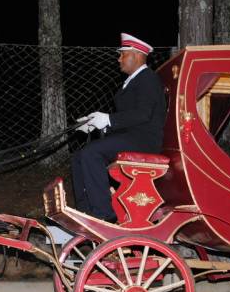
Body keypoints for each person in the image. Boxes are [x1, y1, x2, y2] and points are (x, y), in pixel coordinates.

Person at [71, 33, 167, 222]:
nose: (119, 59)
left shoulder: (148, 79)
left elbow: (142, 114)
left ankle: (103, 214)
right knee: (79, 157)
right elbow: (126, 120)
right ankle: (85, 210)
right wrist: (93, 125)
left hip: (144, 141)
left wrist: (108, 120)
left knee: (92, 153)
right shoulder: (133, 81)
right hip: (132, 137)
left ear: (137, 55)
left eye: (123, 54)